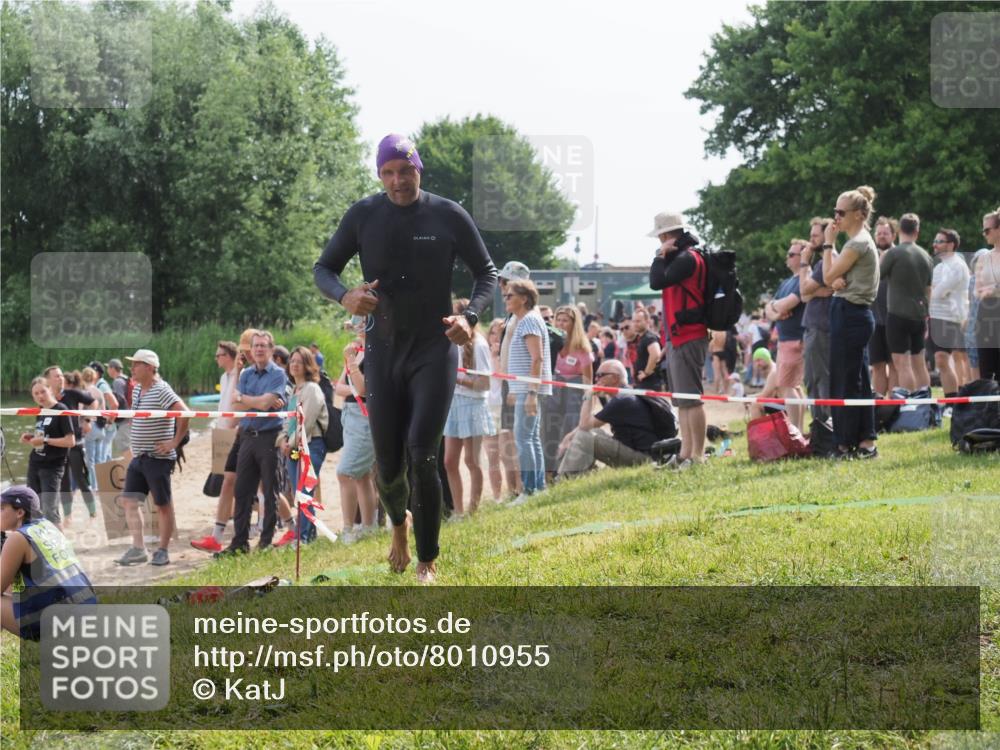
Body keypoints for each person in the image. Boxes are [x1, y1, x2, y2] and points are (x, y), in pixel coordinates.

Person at [314, 133, 498, 582]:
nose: (399, 180)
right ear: (380, 175)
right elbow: (324, 269)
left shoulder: (448, 214)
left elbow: (486, 273)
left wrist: (470, 318)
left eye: (406, 170)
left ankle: (427, 560)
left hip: (434, 351)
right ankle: (399, 524)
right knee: (389, 464)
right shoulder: (363, 215)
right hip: (382, 353)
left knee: (423, 454)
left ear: (419, 169)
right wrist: (345, 296)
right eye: (389, 172)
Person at [115, 349, 190, 566]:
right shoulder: (138, 389)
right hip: (139, 456)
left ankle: (163, 550)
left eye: (136, 364)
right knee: (129, 501)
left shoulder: (162, 389)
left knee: (162, 505)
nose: (132, 369)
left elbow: (184, 413)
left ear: (149, 367)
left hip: (158, 458)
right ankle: (139, 548)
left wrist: (174, 442)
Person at [216, 331, 287, 556]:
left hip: (269, 437)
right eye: (255, 346)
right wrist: (254, 402)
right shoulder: (245, 374)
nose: (258, 349)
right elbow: (235, 407)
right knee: (242, 491)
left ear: (271, 349)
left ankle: (265, 543)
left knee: (270, 490)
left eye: (263, 346)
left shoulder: (278, 374)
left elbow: (267, 404)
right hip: (247, 436)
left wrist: (245, 400)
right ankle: (239, 543)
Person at [822, 186, 880, 459]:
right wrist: (835, 279)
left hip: (850, 314)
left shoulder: (856, 243)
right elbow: (832, 278)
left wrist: (827, 244)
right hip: (852, 313)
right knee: (858, 381)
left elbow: (826, 276)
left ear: (858, 215)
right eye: (835, 211)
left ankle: (844, 443)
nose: (836, 217)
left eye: (841, 212)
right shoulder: (858, 242)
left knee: (845, 382)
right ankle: (866, 441)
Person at [648, 211, 708, 470]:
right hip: (676, 335)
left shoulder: (687, 258)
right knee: (682, 399)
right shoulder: (680, 257)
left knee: (691, 399)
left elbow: (655, 281)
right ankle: (685, 452)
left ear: (665, 235)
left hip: (688, 333)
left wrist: (659, 255)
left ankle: (698, 455)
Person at [1, 486, 96, 640]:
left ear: (19, 512)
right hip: (86, 612)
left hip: (61, 623)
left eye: (2, 508)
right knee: (12, 588)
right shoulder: (48, 526)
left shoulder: (17, 538)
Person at [191, 334, 251, 553]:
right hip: (224, 430)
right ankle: (223, 529)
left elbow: (237, 401)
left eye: (219, 355)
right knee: (228, 481)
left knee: (245, 483)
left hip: (237, 430)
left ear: (230, 356)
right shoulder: (224, 377)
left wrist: (231, 425)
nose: (216, 358)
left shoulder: (241, 374)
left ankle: (268, 523)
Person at [557, 359, 656, 476]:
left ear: (614, 378)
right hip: (644, 453)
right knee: (593, 431)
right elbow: (592, 423)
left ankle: (563, 480)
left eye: (600, 375)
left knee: (584, 436)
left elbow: (584, 425)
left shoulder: (621, 400)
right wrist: (569, 436)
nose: (596, 380)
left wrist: (588, 395)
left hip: (642, 460)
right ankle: (583, 472)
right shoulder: (625, 394)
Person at [504, 279, 552, 504]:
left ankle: (530, 490)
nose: (506, 299)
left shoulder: (529, 321)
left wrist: (531, 393)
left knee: (524, 439)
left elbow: (537, 359)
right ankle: (538, 487)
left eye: (510, 295)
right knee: (530, 438)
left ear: (524, 298)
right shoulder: (528, 320)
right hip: (524, 389)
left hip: (529, 390)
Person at [443, 306, 494, 515]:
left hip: (472, 405)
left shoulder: (480, 344)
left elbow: (485, 383)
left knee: (472, 461)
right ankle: (458, 511)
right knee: (449, 461)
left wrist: (458, 379)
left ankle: (473, 510)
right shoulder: (451, 343)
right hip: (454, 404)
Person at [280, 346, 329, 544]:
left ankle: (303, 538)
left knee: (304, 492)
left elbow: (306, 422)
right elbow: (288, 421)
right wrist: (283, 440)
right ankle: (310, 535)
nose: (295, 365)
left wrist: (290, 443)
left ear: (307, 364)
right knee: (298, 491)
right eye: (292, 361)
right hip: (293, 447)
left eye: (299, 361)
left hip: (311, 445)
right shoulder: (294, 390)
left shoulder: (312, 389)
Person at [880, 213, 933, 393]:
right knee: (919, 363)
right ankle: (925, 405)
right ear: (917, 231)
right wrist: (926, 315)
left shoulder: (893, 253)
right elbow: (928, 291)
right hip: (919, 315)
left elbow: (877, 277)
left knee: (903, 364)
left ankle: (909, 406)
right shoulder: (926, 256)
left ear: (899, 230)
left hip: (897, 314)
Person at [335, 323, 379, 542]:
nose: (359, 326)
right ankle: (369, 526)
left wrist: (351, 362)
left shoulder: (375, 352)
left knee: (345, 472)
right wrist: (352, 364)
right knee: (362, 475)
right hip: (350, 415)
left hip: (365, 418)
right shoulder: (356, 350)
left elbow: (362, 389)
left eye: (364, 321)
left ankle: (348, 529)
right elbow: (339, 388)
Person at [43, 366, 98, 526]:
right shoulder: (46, 398)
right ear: (47, 380)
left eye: (61, 375)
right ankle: (68, 517)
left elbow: (93, 402)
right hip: (57, 445)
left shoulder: (71, 393)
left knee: (81, 479)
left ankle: (93, 513)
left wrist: (88, 420)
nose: (60, 378)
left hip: (75, 443)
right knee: (64, 482)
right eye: (56, 376)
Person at [765, 239, 808, 432]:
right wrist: (777, 310)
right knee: (793, 387)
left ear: (802, 257)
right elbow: (769, 308)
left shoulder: (804, 278)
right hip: (786, 339)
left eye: (791, 254)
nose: (787, 257)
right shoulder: (785, 282)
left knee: (787, 386)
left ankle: (795, 430)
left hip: (795, 339)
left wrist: (777, 308)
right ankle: (797, 430)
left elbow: (788, 303)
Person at [20, 378, 74, 526]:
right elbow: (44, 436)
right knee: (33, 508)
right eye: (36, 394)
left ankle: (61, 546)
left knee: (50, 511)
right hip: (35, 464)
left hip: (52, 467)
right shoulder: (40, 411)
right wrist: (31, 437)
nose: (40, 396)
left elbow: (70, 441)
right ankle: (41, 545)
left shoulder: (61, 409)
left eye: (43, 391)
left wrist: (45, 441)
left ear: (50, 389)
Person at [928, 228, 970, 399]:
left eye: (940, 241)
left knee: (943, 359)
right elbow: (932, 290)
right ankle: (952, 400)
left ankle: (953, 402)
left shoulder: (957, 266)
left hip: (950, 318)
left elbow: (938, 292)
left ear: (951, 245)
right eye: (935, 241)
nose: (935, 245)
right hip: (936, 317)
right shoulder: (940, 267)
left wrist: (932, 290)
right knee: (942, 361)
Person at [549, 305, 594, 458]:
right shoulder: (552, 344)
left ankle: (570, 465)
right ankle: (551, 466)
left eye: (565, 321)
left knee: (571, 428)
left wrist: (588, 404)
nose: (560, 324)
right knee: (552, 428)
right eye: (558, 320)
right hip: (555, 392)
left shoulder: (582, 348)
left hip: (574, 396)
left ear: (574, 324)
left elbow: (588, 381)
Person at [865, 218, 898, 395]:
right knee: (877, 364)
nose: (882, 236)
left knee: (894, 364)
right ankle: (878, 407)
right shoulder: (869, 256)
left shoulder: (899, 255)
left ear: (893, 235)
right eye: (879, 233)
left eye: (885, 233)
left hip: (894, 318)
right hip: (873, 319)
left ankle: (893, 405)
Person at [484, 318, 513, 501]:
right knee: (492, 456)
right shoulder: (482, 352)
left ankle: (513, 491)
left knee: (507, 454)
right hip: (487, 407)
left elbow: (503, 378)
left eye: (500, 334)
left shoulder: (507, 354)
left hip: (503, 407)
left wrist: (496, 357)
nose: (496, 337)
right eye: (493, 333)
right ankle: (496, 497)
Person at [975, 207, 1000, 381]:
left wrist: (994, 289)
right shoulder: (984, 257)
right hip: (986, 312)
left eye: (987, 230)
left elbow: (989, 288)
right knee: (986, 366)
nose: (984, 234)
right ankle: (990, 407)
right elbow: (977, 289)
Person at [87, 360, 118, 466]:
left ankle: (101, 481)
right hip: (105, 425)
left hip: (106, 426)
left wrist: (109, 422)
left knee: (101, 459)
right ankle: (109, 481)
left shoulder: (101, 385)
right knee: (106, 457)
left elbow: (114, 404)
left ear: (97, 373)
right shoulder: (98, 385)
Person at [631, 308, 663, 391]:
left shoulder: (649, 337)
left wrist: (646, 372)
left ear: (647, 321)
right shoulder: (643, 337)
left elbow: (656, 355)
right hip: (644, 383)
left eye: (638, 321)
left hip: (649, 384)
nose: (635, 324)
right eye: (634, 321)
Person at [107, 358, 133, 458]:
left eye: (108, 367)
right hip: (130, 416)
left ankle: (133, 468)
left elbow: (120, 401)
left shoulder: (117, 382)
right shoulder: (125, 379)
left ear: (113, 368)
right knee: (127, 444)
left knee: (123, 444)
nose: (108, 370)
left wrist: (113, 417)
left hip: (124, 419)